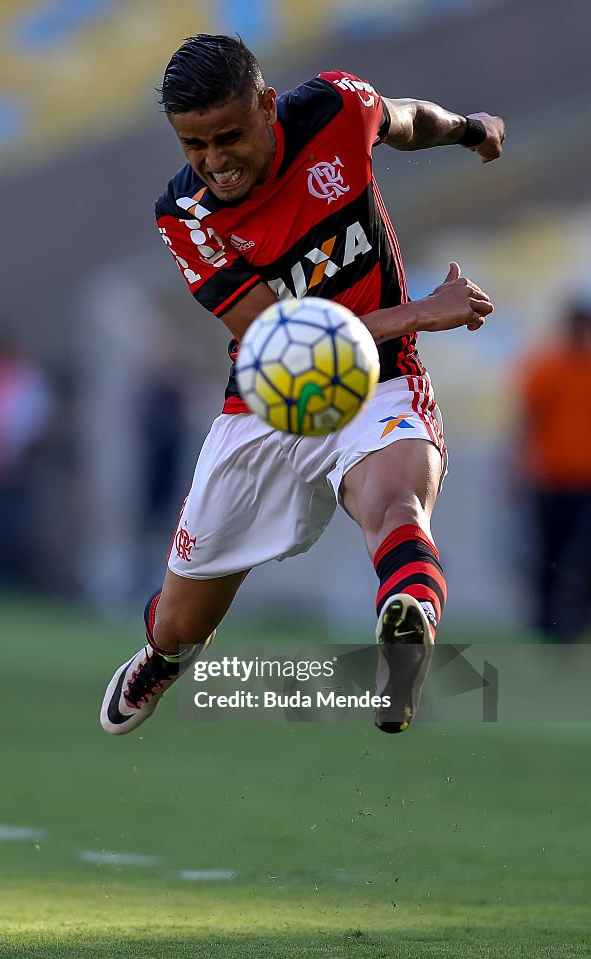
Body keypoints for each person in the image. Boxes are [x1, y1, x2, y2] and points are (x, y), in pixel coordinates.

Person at [101, 33, 505, 735]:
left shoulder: (334, 110)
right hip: (268, 404)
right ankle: (161, 660)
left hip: (378, 379)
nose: (215, 162)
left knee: (396, 507)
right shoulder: (186, 216)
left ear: (267, 105)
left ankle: (403, 633)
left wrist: (468, 129)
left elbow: (404, 117)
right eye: (194, 147)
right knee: (178, 625)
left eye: (229, 136)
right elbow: (287, 344)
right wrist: (418, 311)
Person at [516, 303, 591, 639]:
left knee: (582, 556)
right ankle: (547, 628)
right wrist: (519, 465)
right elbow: (528, 420)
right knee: (548, 556)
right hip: (550, 477)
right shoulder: (547, 367)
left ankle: (576, 623)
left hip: (585, 481)